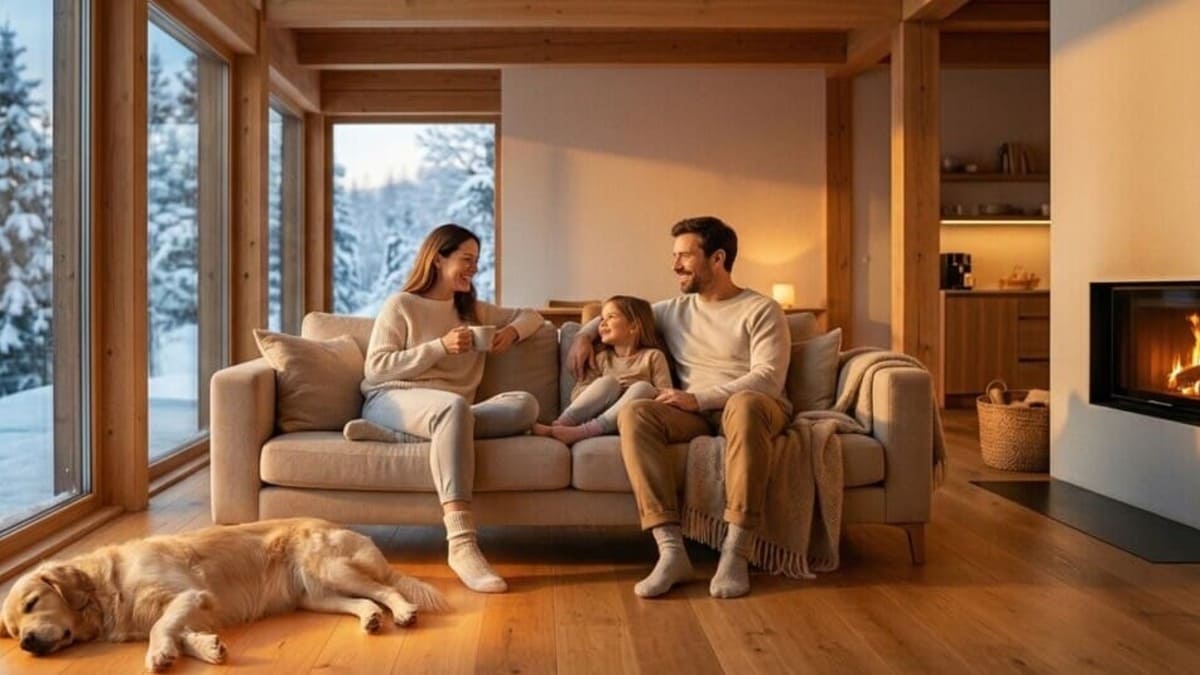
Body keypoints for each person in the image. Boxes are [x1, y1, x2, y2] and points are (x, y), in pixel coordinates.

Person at [567, 216, 792, 599]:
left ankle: (735, 551)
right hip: (693, 414)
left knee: (744, 404)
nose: (675, 266)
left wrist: (700, 397)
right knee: (635, 412)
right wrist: (584, 336)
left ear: (717, 258)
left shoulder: (762, 309)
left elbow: (768, 377)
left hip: (754, 406)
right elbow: (623, 316)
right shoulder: (674, 309)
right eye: (674, 256)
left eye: (685, 256)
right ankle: (671, 552)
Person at [345, 223, 544, 594]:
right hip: (392, 398)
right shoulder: (401, 304)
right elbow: (377, 368)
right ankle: (462, 543)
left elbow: (533, 316)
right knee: (454, 409)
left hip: (450, 412)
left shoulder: (472, 310)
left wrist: (510, 333)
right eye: (466, 260)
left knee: (524, 406)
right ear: (438, 259)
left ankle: (401, 438)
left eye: (477, 262)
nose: (474, 269)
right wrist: (440, 347)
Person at [532, 295, 673, 445]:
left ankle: (583, 432)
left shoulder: (653, 356)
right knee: (608, 383)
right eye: (602, 319)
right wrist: (611, 389)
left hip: (628, 419)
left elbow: (665, 395)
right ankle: (560, 425)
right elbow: (578, 395)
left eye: (611, 317)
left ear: (633, 327)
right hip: (595, 414)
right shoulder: (601, 358)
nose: (602, 323)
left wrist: (630, 392)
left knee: (644, 388)